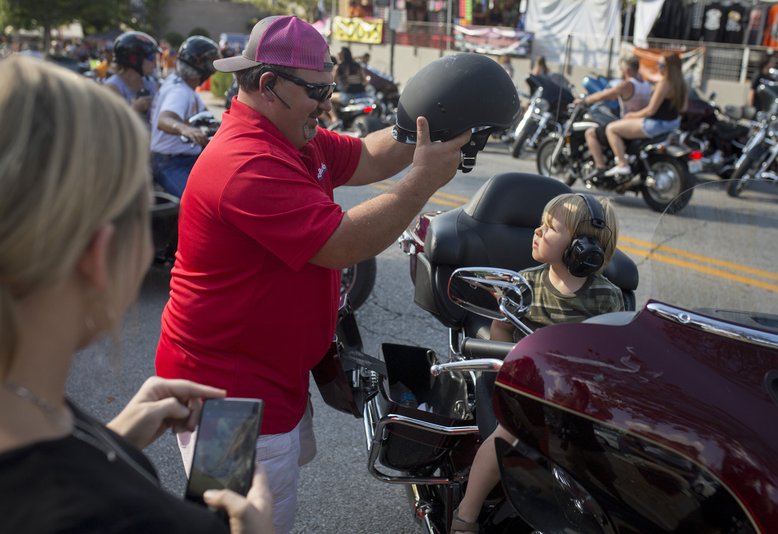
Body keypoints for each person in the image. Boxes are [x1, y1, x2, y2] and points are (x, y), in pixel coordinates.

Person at [154, 15, 471, 534]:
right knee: (242, 522)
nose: (327, 102)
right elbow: (341, 243)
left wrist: (431, 126)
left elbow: (369, 155)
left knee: (251, 509)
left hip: (267, 376)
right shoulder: (246, 162)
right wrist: (421, 185)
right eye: (318, 90)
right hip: (226, 397)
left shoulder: (294, 136)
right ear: (267, 84)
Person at [0, 55, 272, 534]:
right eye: (147, 214)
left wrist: (112, 441)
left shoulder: (26, 397)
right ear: (97, 254)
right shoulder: (121, 519)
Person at [451, 193, 623, 534]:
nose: (537, 231)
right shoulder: (526, 283)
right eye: (541, 224)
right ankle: (465, 514)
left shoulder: (607, 296)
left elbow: (611, 354)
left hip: (576, 395)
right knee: (508, 436)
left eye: (550, 227)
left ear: (582, 247)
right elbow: (501, 340)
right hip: (528, 386)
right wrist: (501, 326)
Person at [150, 35, 221, 197]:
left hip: (184, 158)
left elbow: (207, 119)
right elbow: (164, 119)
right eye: (210, 61)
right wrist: (185, 129)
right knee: (196, 201)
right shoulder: (180, 92)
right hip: (171, 162)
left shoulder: (181, 84)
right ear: (199, 63)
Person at [602, 52, 688, 178]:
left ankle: (622, 164)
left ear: (670, 67)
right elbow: (683, 108)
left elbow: (650, 111)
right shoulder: (682, 84)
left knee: (611, 128)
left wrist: (631, 115)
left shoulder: (664, 84)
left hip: (656, 124)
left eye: (661, 65)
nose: (658, 67)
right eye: (658, 64)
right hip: (673, 124)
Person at [583, 56, 653, 173]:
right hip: (640, 123)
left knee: (590, 133)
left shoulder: (627, 85)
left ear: (627, 70)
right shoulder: (646, 85)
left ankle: (602, 167)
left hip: (628, 123)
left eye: (622, 69)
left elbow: (604, 95)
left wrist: (585, 100)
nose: (621, 71)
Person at [105, 31, 160, 120]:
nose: (155, 63)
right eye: (151, 58)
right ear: (134, 59)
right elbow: (109, 123)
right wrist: (134, 109)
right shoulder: (112, 87)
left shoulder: (150, 83)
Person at [328, 46, 368, 129]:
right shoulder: (357, 65)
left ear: (342, 56)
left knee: (326, 98)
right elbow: (365, 81)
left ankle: (334, 119)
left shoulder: (338, 67)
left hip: (347, 96)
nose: (337, 56)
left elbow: (331, 82)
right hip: (363, 95)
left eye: (339, 54)